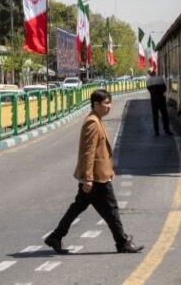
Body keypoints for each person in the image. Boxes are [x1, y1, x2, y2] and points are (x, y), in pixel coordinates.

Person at [44, 90, 144, 255]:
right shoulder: (92, 122)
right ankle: (122, 242)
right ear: (96, 104)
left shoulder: (97, 119)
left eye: (109, 102)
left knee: (79, 207)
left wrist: (108, 170)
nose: (109, 106)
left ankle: (55, 236)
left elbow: (100, 151)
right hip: (96, 178)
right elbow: (89, 152)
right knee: (111, 209)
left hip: (98, 175)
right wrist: (88, 178)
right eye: (105, 103)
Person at [145, 69, 171, 136]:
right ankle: (166, 130)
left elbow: (148, 89)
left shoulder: (148, 81)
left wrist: (154, 93)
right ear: (155, 73)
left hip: (153, 99)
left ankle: (156, 131)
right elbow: (164, 88)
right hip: (161, 98)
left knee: (155, 115)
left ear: (150, 74)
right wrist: (160, 93)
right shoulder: (160, 79)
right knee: (164, 114)